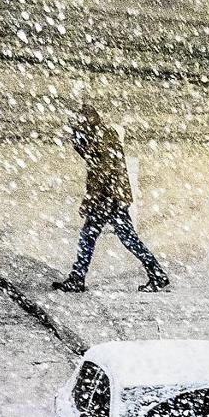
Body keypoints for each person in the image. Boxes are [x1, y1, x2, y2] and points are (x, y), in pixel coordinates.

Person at [52, 103, 169, 293]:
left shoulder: (103, 137)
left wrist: (90, 200)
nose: (76, 129)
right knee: (123, 238)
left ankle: (78, 278)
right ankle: (156, 273)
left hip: (108, 199)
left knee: (92, 237)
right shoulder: (100, 137)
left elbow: (102, 173)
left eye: (79, 125)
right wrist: (80, 143)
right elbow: (97, 164)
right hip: (112, 197)